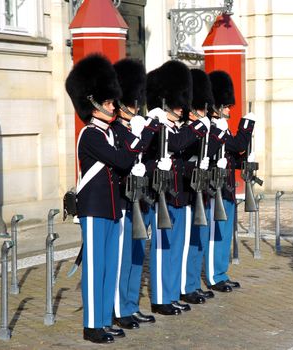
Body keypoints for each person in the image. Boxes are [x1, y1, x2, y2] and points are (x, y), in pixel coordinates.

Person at [65, 54, 145, 343]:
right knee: (96, 268)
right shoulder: (90, 135)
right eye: (109, 101)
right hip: (95, 209)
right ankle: (91, 325)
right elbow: (121, 161)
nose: (113, 105)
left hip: (113, 208)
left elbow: (125, 158)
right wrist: (140, 137)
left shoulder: (109, 133)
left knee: (110, 266)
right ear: (94, 102)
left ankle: (104, 319)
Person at [144, 60, 210, 315]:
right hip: (163, 195)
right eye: (178, 102)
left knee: (176, 248)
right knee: (164, 249)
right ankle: (161, 297)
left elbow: (181, 157)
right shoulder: (157, 125)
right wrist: (198, 127)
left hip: (179, 194)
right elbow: (178, 144)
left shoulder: (170, 125)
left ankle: (171, 294)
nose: (182, 108)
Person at [111, 58, 159, 330]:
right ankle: (120, 307)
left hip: (141, 197)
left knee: (137, 255)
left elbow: (148, 159)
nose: (136, 107)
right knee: (123, 255)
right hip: (123, 198)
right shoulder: (117, 129)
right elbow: (124, 159)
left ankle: (130, 304)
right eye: (132, 102)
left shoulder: (135, 126)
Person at [206, 70, 256, 293]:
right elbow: (237, 144)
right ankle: (213, 275)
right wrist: (247, 125)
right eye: (225, 106)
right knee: (216, 233)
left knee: (225, 233)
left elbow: (232, 155)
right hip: (214, 187)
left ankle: (221, 272)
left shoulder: (221, 127)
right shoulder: (212, 127)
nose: (228, 110)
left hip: (226, 186)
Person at [179, 68, 221, 304]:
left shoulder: (201, 129)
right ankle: (187, 285)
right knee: (189, 241)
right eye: (201, 108)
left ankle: (193, 282)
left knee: (199, 240)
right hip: (188, 190)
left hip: (201, 189)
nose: (205, 113)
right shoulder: (186, 130)